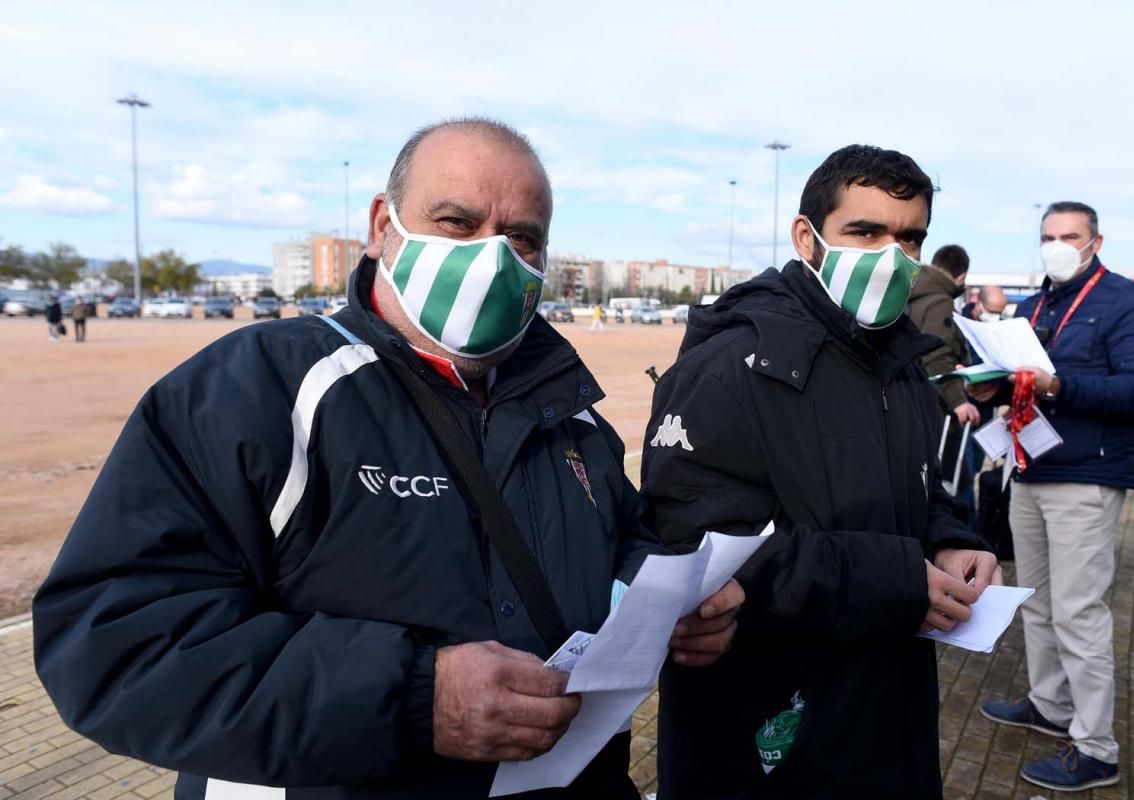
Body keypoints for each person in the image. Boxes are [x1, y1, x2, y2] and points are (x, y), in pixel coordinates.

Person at [33, 118, 742, 800]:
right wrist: (412, 698)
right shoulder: (258, 391)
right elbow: (113, 647)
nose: (494, 257)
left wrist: (664, 604)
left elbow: (619, 544)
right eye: (459, 224)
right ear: (382, 228)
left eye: (523, 238)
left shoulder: (571, 414)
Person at [641, 144, 1000, 799]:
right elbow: (696, 546)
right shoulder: (727, 367)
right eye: (865, 232)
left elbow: (916, 495)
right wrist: (893, 578)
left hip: (886, 709)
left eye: (909, 237)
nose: (891, 255)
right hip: (768, 734)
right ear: (807, 237)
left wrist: (953, 538)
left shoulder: (903, 364)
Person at [976, 201, 1134, 792]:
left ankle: (1096, 748)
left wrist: (1059, 384)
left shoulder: (1129, 303)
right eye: (1047, 236)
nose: (1056, 245)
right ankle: (1049, 705)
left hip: (1086, 476)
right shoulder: (1034, 305)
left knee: (1079, 611)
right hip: (1029, 469)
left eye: (1069, 236)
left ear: (1095, 241)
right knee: (1034, 600)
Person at [909, 244, 980, 428]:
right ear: (962, 276)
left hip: (911, 402)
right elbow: (936, 354)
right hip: (934, 407)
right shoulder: (941, 302)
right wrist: (958, 401)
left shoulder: (915, 293)